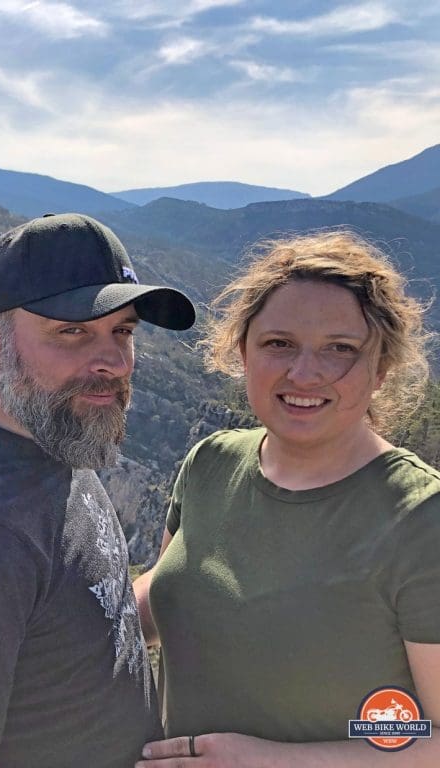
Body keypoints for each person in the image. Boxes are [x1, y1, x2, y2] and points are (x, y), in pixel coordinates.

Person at [0, 213, 196, 768]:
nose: (114, 362)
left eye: (123, 331)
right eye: (72, 331)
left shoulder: (59, 437)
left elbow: (95, 619)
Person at [134, 231, 440, 766]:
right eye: (279, 343)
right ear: (242, 352)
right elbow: (166, 596)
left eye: (340, 350)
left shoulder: (419, 520)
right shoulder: (211, 464)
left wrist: (270, 759)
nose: (304, 373)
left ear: (381, 370)